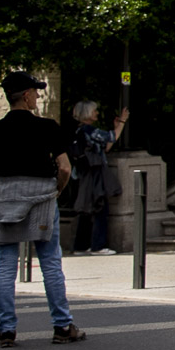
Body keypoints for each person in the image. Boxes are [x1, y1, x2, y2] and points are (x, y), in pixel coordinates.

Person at [0, 71, 86, 348]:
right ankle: (62, 326)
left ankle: (6, 330)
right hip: (42, 198)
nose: (37, 96)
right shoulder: (47, 127)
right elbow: (66, 167)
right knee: (50, 262)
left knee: (6, 265)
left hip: (7, 195)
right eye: (35, 91)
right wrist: (56, 190)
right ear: (25, 95)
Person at [66, 99, 125, 254]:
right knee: (100, 207)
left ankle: (81, 246)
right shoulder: (89, 130)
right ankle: (97, 245)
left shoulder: (80, 131)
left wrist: (117, 127)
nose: (97, 113)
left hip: (85, 173)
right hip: (94, 173)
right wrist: (122, 123)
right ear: (87, 114)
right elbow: (110, 138)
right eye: (94, 111)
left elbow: (105, 147)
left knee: (87, 210)